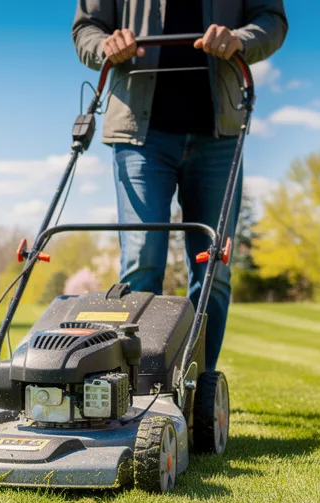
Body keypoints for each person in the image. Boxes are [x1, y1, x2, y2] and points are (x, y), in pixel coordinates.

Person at [73, 0, 287, 371]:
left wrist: (239, 38)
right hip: (139, 137)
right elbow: (86, 29)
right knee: (142, 263)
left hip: (218, 135)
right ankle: (135, 388)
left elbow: (272, 20)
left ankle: (196, 385)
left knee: (213, 271)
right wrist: (107, 44)